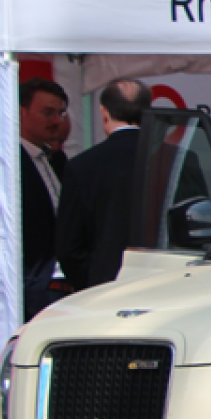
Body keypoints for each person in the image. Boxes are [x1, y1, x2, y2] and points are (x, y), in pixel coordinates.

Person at [56, 78, 152, 292]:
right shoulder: (178, 159)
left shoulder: (82, 167)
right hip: (168, 284)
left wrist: (92, 283)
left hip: (105, 287)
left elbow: (68, 248)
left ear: (103, 113)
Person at [18, 78, 70, 319]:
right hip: (34, 287)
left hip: (58, 283)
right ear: (21, 112)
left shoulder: (52, 160)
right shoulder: (10, 163)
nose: (56, 121)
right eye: (47, 112)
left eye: (60, 113)